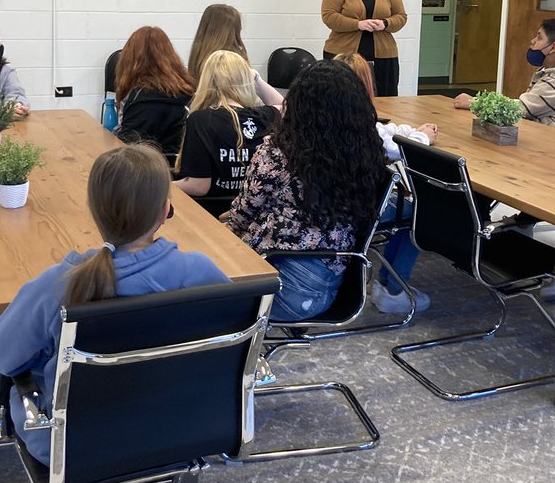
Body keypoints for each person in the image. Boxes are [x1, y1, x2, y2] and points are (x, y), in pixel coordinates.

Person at [0, 144, 228, 466]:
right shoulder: (199, 272)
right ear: (165, 210)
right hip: (178, 430)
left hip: (72, 448)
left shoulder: (59, 284)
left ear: (93, 211)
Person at [228, 60, 386, 322]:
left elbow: (242, 216)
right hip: (329, 287)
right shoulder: (364, 154)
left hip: (277, 289)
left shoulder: (279, 151)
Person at [332, 52, 435, 312]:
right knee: (420, 213)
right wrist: (423, 138)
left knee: (405, 209)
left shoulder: (332, 117)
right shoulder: (360, 127)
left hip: (333, 204)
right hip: (353, 212)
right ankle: (393, 290)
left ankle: (388, 285)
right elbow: (398, 149)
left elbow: (387, 133)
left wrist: (412, 132)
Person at [453, 19, 555, 137]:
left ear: (553, 47)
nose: (532, 41)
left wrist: (475, 103)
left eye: (539, 37)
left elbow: (521, 109)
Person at [174, 50, 279, 215]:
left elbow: (199, 186)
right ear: (245, 80)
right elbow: (285, 106)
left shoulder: (200, 119)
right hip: (253, 213)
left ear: (207, 81)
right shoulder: (263, 116)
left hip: (210, 214)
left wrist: (162, 185)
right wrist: (256, 79)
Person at [321, 0, 408, 97]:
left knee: (383, 97)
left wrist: (385, 23)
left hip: (383, 54)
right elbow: (329, 16)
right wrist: (358, 24)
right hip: (344, 54)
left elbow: (401, 16)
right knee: (341, 96)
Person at [113, 26, 195, 158]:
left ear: (130, 60)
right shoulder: (189, 92)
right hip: (182, 169)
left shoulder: (139, 101)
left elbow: (127, 153)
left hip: (147, 171)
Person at [187, 4, 283, 107]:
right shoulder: (228, 65)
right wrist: (254, 76)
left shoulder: (197, 61)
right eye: (238, 31)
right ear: (233, 33)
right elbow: (280, 104)